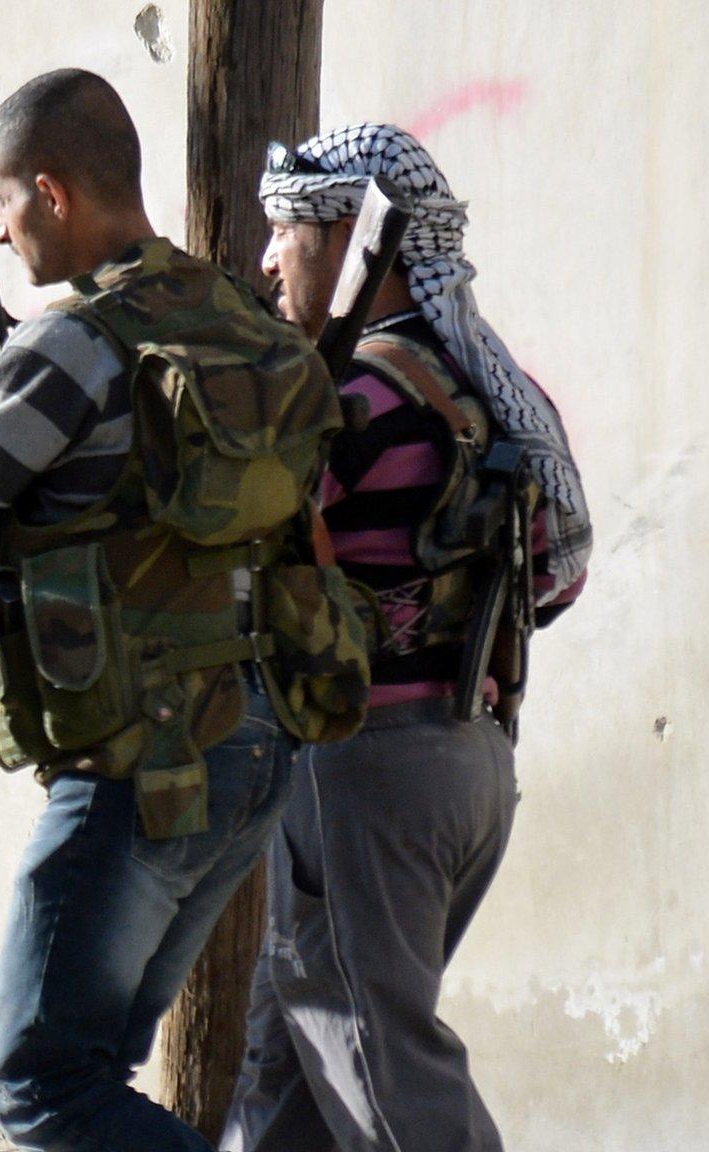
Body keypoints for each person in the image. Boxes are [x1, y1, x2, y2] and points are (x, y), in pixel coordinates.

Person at [0, 69, 366, 1152]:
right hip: (253, 746)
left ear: (51, 194)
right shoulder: (247, 322)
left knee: (42, 1089)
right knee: (95, 1067)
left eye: (5, 206)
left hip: (135, 763)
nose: (2, 235)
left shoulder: (73, 343)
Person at [221, 124, 590, 1152]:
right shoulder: (487, 395)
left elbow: (230, 561)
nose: (264, 259)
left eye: (285, 229)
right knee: (285, 1070)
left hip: (362, 780)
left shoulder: (348, 402)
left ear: (355, 238)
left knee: (384, 1083)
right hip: (468, 762)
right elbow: (557, 578)